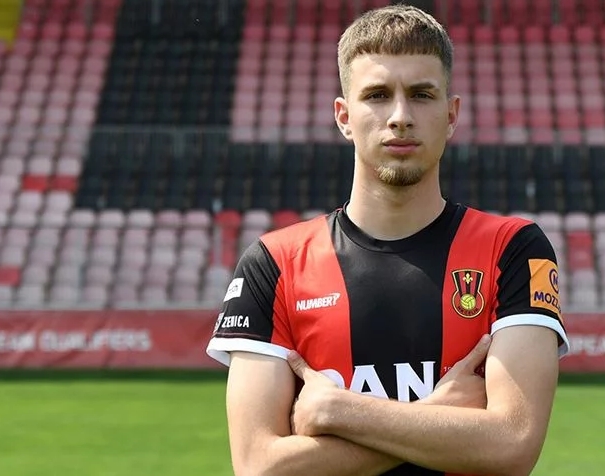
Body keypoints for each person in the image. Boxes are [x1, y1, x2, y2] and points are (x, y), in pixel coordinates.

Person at [206, 4, 569, 475]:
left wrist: (339, 411)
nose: (400, 116)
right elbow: (259, 467)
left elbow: (512, 445)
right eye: (377, 95)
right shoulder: (274, 263)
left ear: (451, 114)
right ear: (344, 116)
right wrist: (438, 416)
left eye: (421, 95)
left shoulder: (513, 249)